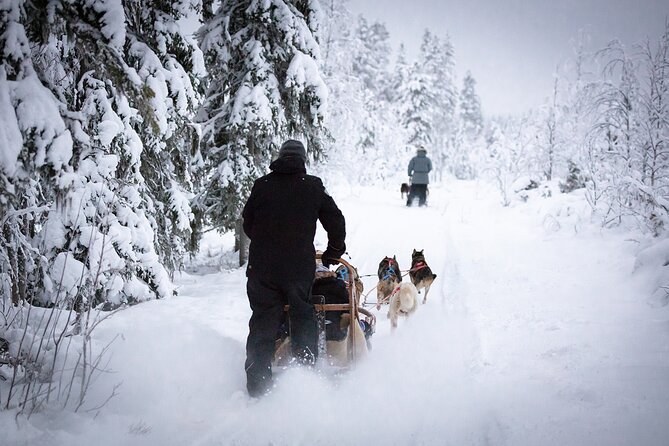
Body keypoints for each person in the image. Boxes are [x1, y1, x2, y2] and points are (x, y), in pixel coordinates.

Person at [241, 139, 346, 397]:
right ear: (303, 161)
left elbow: (248, 223)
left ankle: (257, 385)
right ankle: (304, 380)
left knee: (263, 321)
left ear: (279, 158)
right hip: (297, 269)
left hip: (262, 268)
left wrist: (267, 242)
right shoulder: (312, 186)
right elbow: (336, 220)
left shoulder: (262, 185)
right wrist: (333, 253)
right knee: (302, 316)